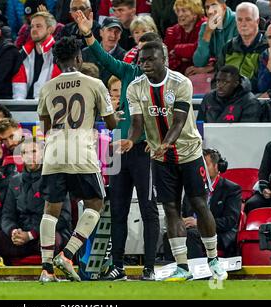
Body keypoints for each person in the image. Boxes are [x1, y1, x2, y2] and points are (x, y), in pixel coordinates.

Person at [122, 41, 228, 281]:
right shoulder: (134, 88)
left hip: (188, 152)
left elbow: (179, 121)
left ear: (164, 60)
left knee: (200, 204)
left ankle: (213, 260)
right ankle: (182, 266)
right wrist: (130, 140)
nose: (145, 64)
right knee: (170, 209)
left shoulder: (181, 83)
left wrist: (165, 144)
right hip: (161, 157)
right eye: (142, 60)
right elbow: (137, 124)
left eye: (150, 59)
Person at [74, 9, 160, 281]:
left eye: (148, 51)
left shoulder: (164, 80)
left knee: (148, 209)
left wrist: (157, 142)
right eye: (140, 49)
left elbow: (169, 114)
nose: (143, 56)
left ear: (159, 55)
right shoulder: (127, 71)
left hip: (145, 150)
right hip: (119, 150)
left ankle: (149, 267)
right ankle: (119, 267)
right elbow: (101, 57)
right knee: (118, 208)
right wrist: (88, 33)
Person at [36, 36, 120, 282]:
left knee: (51, 209)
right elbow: (111, 122)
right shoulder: (94, 83)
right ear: (80, 58)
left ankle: (46, 269)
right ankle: (68, 254)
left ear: (57, 61)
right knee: (95, 203)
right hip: (81, 150)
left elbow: (45, 125)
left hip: (53, 151)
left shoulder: (47, 87)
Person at [0, 139, 72, 264]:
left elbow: (63, 218)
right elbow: (7, 215)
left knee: (50, 239)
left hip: (46, 234)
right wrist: (13, 231)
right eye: (25, 152)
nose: (29, 156)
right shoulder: (15, 181)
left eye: (34, 151)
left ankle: (49, 270)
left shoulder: (56, 179)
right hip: (20, 236)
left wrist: (31, 234)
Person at [163, 148, 242, 260]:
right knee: (171, 235)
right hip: (192, 231)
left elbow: (230, 221)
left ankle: (198, 273)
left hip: (220, 234)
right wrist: (181, 221)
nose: (201, 169)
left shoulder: (231, 189)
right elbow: (184, 212)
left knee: (191, 235)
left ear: (217, 167)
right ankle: (174, 268)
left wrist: (197, 223)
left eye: (206, 165)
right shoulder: (192, 188)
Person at [216, 2, 268, 93]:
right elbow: (217, 76)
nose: (243, 24)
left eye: (248, 19)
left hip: (253, 97)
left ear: (257, 21)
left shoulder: (266, 47)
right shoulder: (229, 46)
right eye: (239, 20)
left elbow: (263, 82)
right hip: (227, 97)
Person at [12, 11, 61, 100]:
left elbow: (57, 87)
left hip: (49, 105)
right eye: (32, 26)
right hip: (26, 107)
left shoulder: (59, 53)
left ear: (50, 29)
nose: (34, 30)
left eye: (38, 26)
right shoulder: (24, 53)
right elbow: (18, 87)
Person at [164, 0, 207, 75]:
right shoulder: (171, 31)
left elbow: (199, 50)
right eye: (178, 11)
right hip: (178, 74)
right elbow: (167, 58)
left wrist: (177, 49)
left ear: (195, 13)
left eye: (184, 11)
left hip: (201, 72)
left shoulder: (206, 26)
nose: (180, 14)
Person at [193, 0, 237, 71]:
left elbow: (236, 59)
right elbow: (198, 63)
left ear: (223, 7)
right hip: (219, 70)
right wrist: (207, 33)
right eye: (207, 7)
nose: (210, 11)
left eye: (214, 6)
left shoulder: (238, 21)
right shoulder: (205, 27)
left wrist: (213, 68)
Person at [82, 17, 126, 86]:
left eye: (117, 31)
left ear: (120, 35)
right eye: (109, 30)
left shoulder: (124, 57)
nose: (113, 35)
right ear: (101, 32)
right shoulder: (86, 53)